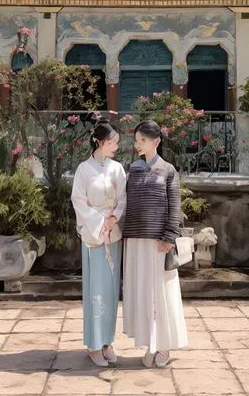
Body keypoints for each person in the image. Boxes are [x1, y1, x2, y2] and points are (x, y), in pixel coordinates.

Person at [122, 119, 188, 367]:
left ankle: (164, 346)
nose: (138, 145)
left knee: (161, 294)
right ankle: (149, 344)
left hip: (159, 242)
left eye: (143, 141)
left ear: (157, 142)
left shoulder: (168, 170)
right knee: (142, 293)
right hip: (135, 241)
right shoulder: (133, 168)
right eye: (137, 141)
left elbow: (175, 206)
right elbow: (124, 203)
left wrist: (170, 236)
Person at [70, 119, 127, 367]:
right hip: (95, 235)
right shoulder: (84, 169)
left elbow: (123, 197)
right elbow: (78, 200)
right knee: (96, 290)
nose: (115, 146)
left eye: (116, 143)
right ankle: (94, 344)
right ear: (99, 142)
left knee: (112, 290)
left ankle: (108, 341)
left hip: (112, 233)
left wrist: (112, 219)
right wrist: (99, 222)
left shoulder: (117, 169)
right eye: (112, 142)